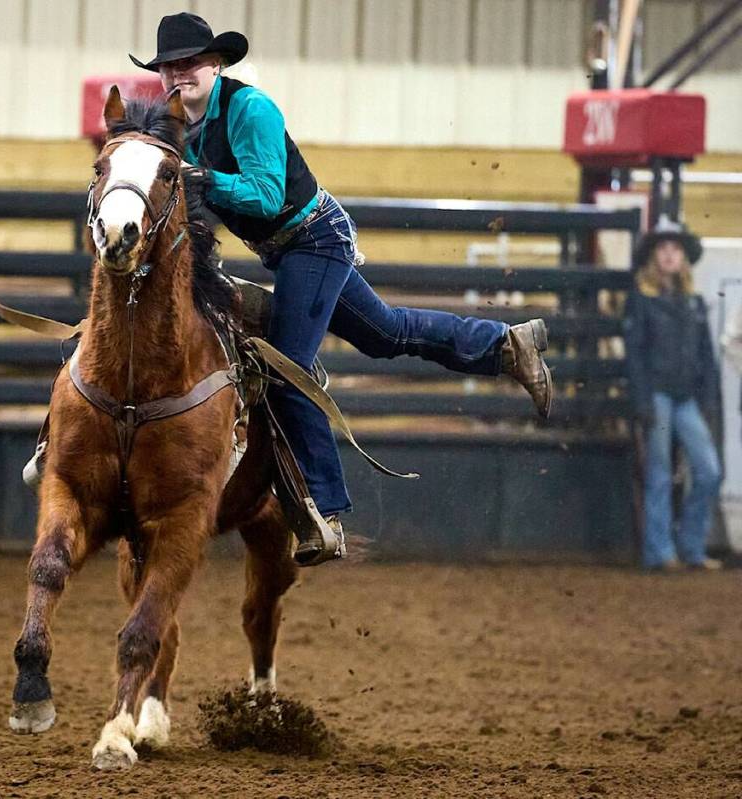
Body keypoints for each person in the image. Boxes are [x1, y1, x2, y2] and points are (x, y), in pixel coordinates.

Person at [122, 12, 554, 565]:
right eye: (168, 68)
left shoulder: (251, 110)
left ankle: (322, 510)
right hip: (292, 249)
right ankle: (503, 345)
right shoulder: (187, 127)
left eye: (188, 64)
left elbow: (263, 195)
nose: (176, 75)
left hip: (311, 238)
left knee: (287, 368)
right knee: (384, 334)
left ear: (215, 63)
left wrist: (200, 179)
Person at [623, 217, 723, 571]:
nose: (669, 256)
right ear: (655, 257)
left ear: (682, 258)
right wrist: (642, 401)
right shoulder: (642, 300)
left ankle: (687, 548)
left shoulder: (692, 303)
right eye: (663, 249)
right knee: (661, 472)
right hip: (658, 396)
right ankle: (662, 551)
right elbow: (634, 355)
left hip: (683, 397)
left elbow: (706, 356)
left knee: (709, 471)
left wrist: (708, 398)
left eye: (674, 249)